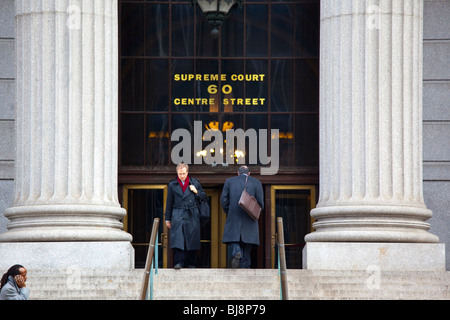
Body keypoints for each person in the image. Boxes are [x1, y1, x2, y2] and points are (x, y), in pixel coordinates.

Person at [165, 163, 207, 269]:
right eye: (179, 174)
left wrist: (196, 191)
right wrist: (167, 219)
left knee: (192, 239)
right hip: (178, 213)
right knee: (178, 240)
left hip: (192, 214)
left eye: (183, 173)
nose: (182, 176)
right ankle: (179, 262)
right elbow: (169, 202)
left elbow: (203, 196)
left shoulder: (195, 183)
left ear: (187, 172)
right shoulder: (172, 185)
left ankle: (191, 263)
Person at [221, 166, 264, 268]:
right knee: (247, 244)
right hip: (249, 218)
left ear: (238, 173)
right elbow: (260, 203)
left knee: (233, 239)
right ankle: (245, 266)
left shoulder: (229, 181)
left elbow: (223, 200)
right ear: (249, 174)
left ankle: (236, 251)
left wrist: (229, 211)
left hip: (234, 215)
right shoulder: (257, 183)